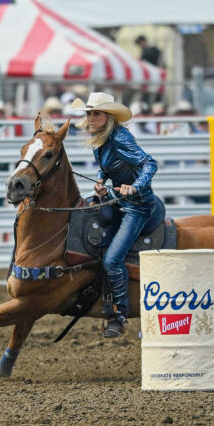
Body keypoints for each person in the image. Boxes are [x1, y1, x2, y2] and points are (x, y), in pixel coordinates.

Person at [74, 92, 159, 338]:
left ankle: (119, 314)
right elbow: (107, 166)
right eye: (88, 113)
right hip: (115, 199)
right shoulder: (100, 139)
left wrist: (136, 186)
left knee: (112, 259)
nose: (90, 118)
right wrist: (101, 180)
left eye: (95, 113)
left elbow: (149, 164)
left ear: (108, 117)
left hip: (136, 205)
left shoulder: (121, 137)